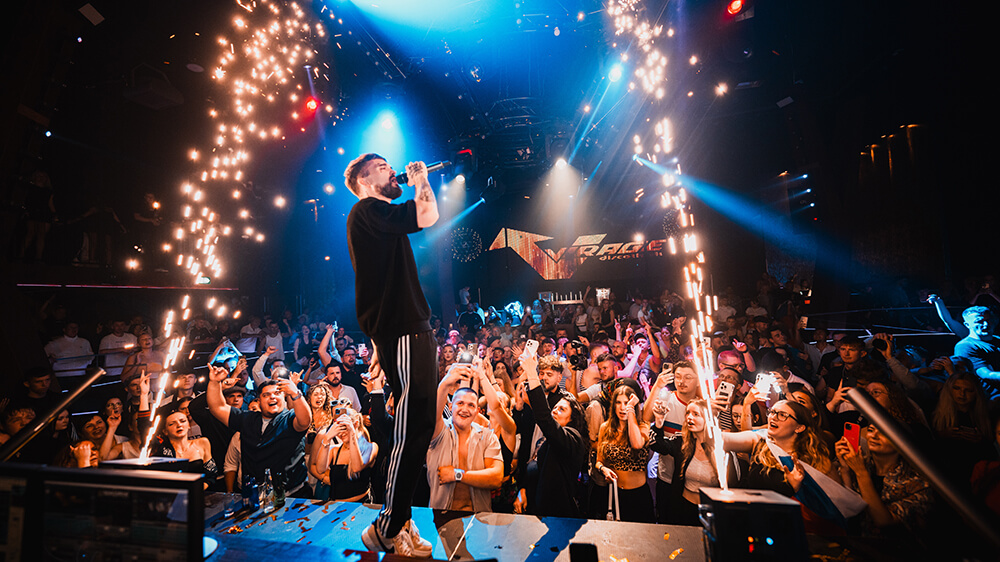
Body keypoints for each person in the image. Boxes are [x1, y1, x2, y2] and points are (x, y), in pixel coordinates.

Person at [345, 153, 438, 557]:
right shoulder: (367, 210)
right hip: (401, 329)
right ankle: (387, 526)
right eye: (382, 167)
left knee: (419, 427)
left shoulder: (379, 219)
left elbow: (376, 280)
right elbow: (427, 215)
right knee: (410, 429)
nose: (392, 170)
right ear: (364, 180)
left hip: (407, 328)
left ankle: (399, 519)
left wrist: (377, 342)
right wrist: (420, 181)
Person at [205, 365, 312, 497]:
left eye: (277, 393)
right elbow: (217, 407)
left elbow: (305, 421)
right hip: (255, 494)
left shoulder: (290, 418)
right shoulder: (247, 419)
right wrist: (214, 382)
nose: (272, 397)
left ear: (284, 397)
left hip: (291, 495)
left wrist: (296, 393)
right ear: (259, 400)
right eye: (266, 395)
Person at [515, 347, 589, 518]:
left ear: (572, 417)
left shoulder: (573, 438)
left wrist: (531, 373)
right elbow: (534, 466)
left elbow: (545, 420)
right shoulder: (548, 442)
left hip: (559, 515)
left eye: (561, 409)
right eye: (555, 408)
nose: (554, 410)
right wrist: (524, 488)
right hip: (539, 509)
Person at [835, 421, 933, 538]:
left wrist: (861, 473)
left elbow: (884, 521)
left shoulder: (917, 482)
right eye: (871, 430)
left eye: (883, 433)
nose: (874, 436)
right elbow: (846, 507)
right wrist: (845, 469)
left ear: (902, 442)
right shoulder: (863, 464)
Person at [425, 367, 503, 512]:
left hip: (479, 516)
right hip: (441, 515)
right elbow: (433, 412)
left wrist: (457, 474)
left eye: (471, 405)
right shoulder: (439, 432)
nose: (465, 409)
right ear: (450, 406)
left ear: (477, 411)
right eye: (460, 403)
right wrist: (446, 382)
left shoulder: (487, 436)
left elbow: (496, 478)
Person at [649, 398, 737, 525]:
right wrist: (659, 421)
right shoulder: (681, 441)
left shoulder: (722, 450)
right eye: (688, 413)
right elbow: (656, 444)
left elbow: (733, 486)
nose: (690, 417)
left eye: (696, 414)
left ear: (708, 419)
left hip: (710, 511)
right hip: (682, 508)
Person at [592, 385, 654, 522]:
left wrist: (631, 411)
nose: (622, 407)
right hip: (613, 494)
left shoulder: (642, 426)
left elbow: (637, 444)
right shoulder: (605, 428)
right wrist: (603, 469)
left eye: (627, 403)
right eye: (618, 402)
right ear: (613, 405)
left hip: (638, 496)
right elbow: (599, 461)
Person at [311, 406, 379, 502]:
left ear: (356, 424)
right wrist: (326, 439)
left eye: (344, 427)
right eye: (339, 428)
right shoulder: (334, 450)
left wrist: (352, 433)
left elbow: (356, 468)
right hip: (336, 505)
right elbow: (320, 469)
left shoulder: (370, 447)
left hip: (361, 505)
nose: (341, 433)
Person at [952, 306, 1000, 400]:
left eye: (988, 320)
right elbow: (985, 374)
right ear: (967, 325)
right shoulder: (966, 346)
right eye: (979, 321)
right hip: (990, 398)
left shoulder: (997, 339)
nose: (986, 324)